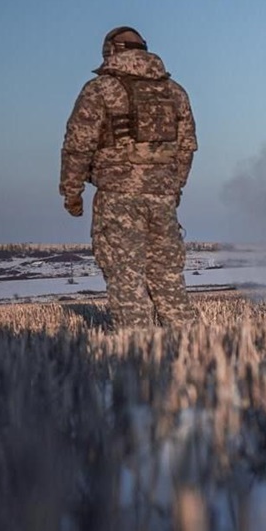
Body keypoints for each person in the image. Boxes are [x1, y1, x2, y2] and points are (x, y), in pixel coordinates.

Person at [60, 26, 198, 328]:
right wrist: (173, 187)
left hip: (118, 197)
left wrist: (72, 192)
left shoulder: (100, 89)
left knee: (126, 276)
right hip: (162, 200)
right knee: (168, 277)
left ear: (111, 51)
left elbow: (78, 145)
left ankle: (141, 355)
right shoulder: (174, 92)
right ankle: (192, 352)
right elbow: (187, 147)